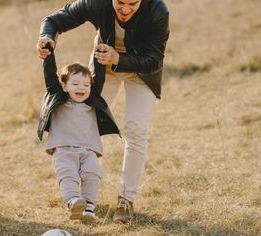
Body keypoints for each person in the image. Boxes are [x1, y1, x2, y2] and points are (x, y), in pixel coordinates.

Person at [36, 0, 170, 222]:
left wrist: (119, 58)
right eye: (120, 2)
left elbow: (155, 60)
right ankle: (78, 196)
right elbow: (54, 19)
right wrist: (46, 36)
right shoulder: (96, 3)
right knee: (86, 124)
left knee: (136, 131)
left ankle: (125, 200)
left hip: (142, 72)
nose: (125, 9)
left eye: (133, 3)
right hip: (102, 68)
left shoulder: (158, 10)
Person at [38, 44, 120, 222]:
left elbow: (99, 76)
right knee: (68, 175)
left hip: (88, 149)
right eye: (75, 84)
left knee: (92, 174)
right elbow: (50, 75)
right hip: (63, 149)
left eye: (85, 84)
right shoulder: (57, 97)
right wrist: (48, 54)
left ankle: (89, 206)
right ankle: (74, 202)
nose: (81, 88)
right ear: (64, 86)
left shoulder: (92, 101)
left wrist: (101, 50)